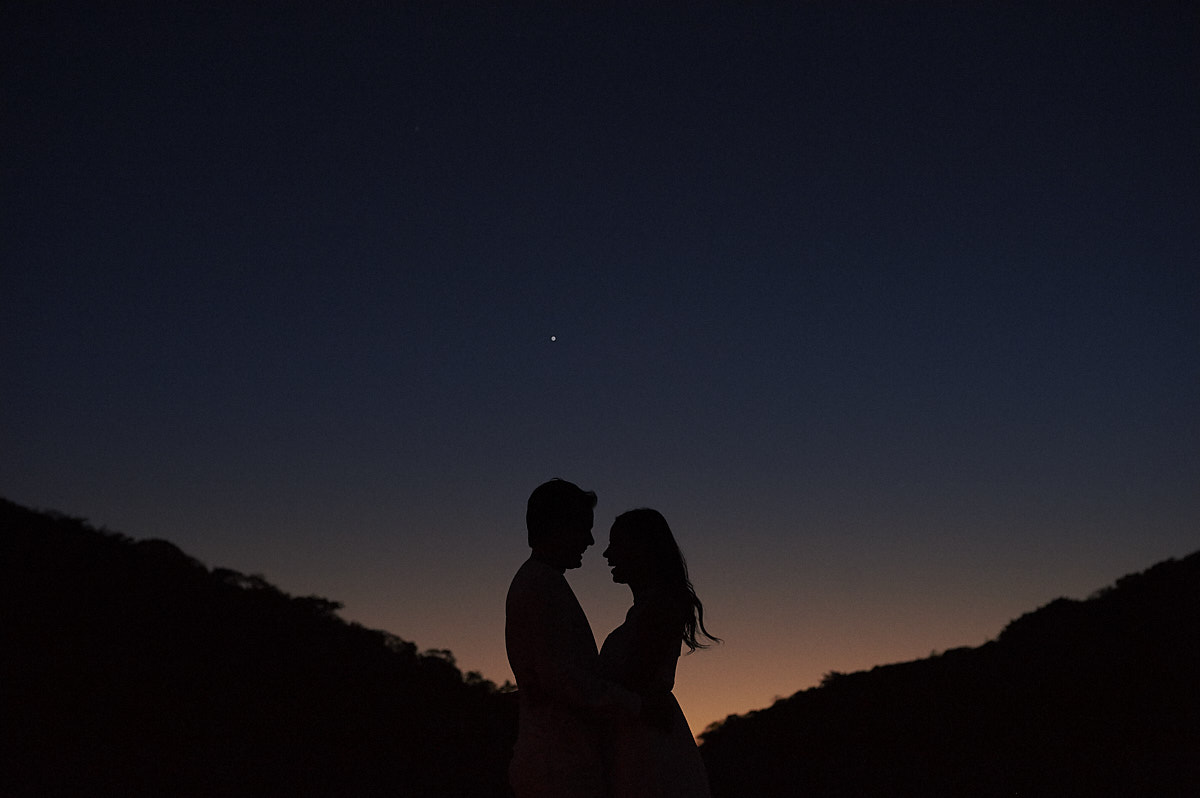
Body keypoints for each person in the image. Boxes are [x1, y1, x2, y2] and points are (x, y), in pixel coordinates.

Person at [505, 479, 643, 798]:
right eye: (585, 528)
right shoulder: (540, 586)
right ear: (560, 527)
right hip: (559, 766)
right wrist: (636, 705)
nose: (591, 541)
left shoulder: (540, 581)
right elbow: (562, 679)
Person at [599, 508, 720, 798]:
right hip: (641, 736)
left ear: (641, 550)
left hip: (648, 742)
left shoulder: (659, 610)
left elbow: (634, 681)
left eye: (615, 544)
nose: (606, 554)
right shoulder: (649, 609)